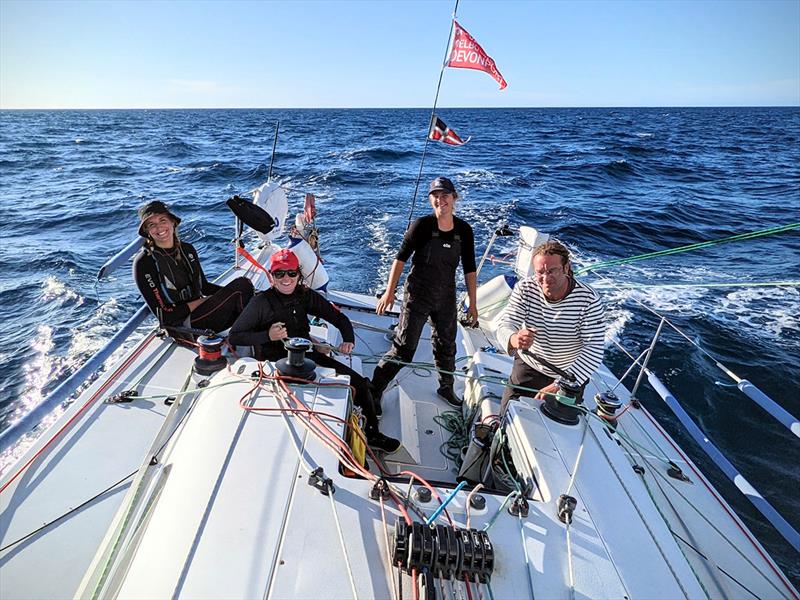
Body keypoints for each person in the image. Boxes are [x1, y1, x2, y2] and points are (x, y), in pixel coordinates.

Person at [228, 249, 401, 454]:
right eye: (279, 274)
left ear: (299, 276)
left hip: (307, 355)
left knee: (360, 385)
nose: (286, 279)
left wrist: (348, 340)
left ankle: (372, 434)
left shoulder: (305, 296)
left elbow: (339, 318)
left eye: (291, 273)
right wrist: (268, 335)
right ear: (272, 277)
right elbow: (235, 336)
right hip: (274, 364)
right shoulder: (261, 303)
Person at [371, 176, 479, 408]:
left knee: (447, 345)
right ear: (431, 200)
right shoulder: (421, 225)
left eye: (445, 195)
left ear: (454, 197)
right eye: (436, 196)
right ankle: (375, 389)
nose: (441, 200)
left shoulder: (464, 230)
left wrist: (473, 303)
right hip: (418, 295)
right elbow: (400, 259)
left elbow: (470, 269)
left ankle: (446, 387)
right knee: (404, 348)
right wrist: (390, 292)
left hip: (446, 296)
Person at [495, 240, 605, 414]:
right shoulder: (525, 288)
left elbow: (594, 348)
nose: (545, 278)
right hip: (529, 365)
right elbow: (506, 323)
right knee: (508, 413)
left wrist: (559, 384)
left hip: (568, 374)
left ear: (566, 268)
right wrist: (514, 338)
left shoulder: (589, 300)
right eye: (540, 272)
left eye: (552, 271)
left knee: (558, 426)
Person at [133, 200, 254, 337]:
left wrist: (237, 293)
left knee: (249, 291)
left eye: (163, 220)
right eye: (152, 225)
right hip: (183, 327)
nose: (159, 228)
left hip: (202, 312)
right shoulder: (144, 262)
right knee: (242, 286)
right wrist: (203, 301)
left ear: (173, 222)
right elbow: (165, 316)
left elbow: (204, 287)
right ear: (147, 231)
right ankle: (249, 339)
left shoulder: (187, 249)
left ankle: (257, 339)